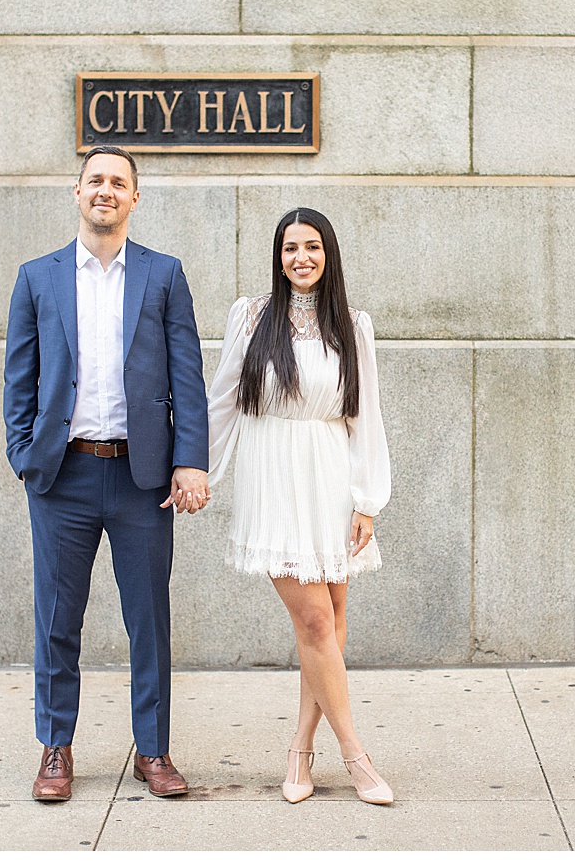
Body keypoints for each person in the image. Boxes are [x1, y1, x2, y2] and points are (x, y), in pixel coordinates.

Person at [3, 145, 210, 802]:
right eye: (96, 179)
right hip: (61, 478)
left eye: (119, 182)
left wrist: (190, 459)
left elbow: (188, 379)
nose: (106, 190)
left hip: (140, 479)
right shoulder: (37, 278)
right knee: (58, 618)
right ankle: (55, 746)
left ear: (134, 198)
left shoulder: (163, 275)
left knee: (147, 618)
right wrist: (24, 457)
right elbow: (19, 380)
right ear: (77, 191)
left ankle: (153, 750)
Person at [205, 207, 394, 805]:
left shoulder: (352, 325)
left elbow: (365, 417)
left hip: (332, 480)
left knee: (332, 623)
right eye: (290, 248)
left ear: (328, 253)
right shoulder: (252, 316)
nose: (301, 258)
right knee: (314, 621)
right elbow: (224, 400)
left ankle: (299, 751)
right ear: (278, 256)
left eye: (312, 247)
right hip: (274, 481)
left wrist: (366, 499)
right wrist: (198, 472)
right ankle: (357, 757)